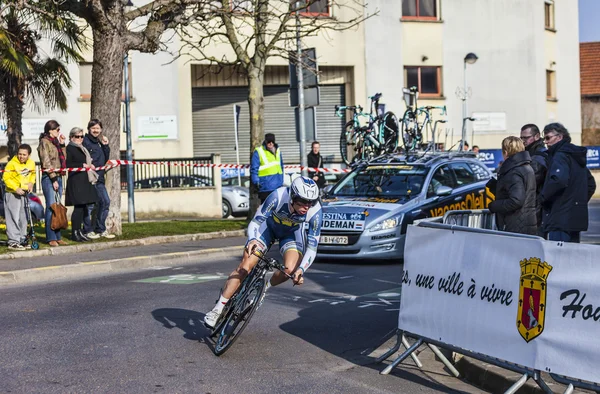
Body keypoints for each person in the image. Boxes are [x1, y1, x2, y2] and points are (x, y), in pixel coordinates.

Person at [204, 176, 322, 328]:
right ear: (293, 196)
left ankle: (265, 286)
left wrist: (301, 270)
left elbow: (312, 247)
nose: (307, 206)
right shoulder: (278, 196)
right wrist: (253, 239)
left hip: (291, 234)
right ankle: (217, 309)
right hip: (267, 229)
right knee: (245, 267)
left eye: (310, 202)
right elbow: (255, 222)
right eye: (303, 201)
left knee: (290, 269)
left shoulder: (316, 211)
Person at [539, 123, 596, 243]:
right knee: (572, 258)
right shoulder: (574, 156)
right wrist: (576, 202)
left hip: (560, 218)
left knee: (559, 258)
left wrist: (543, 197)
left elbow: (558, 180)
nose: (546, 142)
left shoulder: (560, 155)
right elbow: (590, 184)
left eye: (548, 138)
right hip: (574, 218)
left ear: (559, 137)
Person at [488, 137, 537, 235]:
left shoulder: (513, 171)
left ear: (505, 152)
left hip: (514, 225)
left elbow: (516, 200)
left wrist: (493, 206)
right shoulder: (526, 167)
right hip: (526, 222)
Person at [82, 119, 114, 239]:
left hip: (100, 178)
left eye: (98, 128)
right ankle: (87, 230)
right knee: (89, 206)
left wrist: (106, 146)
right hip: (90, 178)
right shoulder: (85, 141)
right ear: (89, 129)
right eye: (93, 128)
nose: (96, 130)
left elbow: (105, 158)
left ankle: (100, 229)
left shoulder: (99, 142)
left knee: (105, 202)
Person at [65, 127, 99, 242]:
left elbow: (87, 163)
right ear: (72, 137)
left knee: (84, 207)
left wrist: (90, 165)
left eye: (81, 136)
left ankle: (80, 231)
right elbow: (68, 164)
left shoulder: (82, 148)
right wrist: (82, 165)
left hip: (84, 181)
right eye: (77, 136)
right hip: (76, 181)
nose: (79, 139)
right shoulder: (69, 148)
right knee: (78, 208)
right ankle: (75, 232)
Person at [37, 120, 68, 247]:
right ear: (50, 130)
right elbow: (46, 162)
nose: (58, 132)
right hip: (49, 178)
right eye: (57, 130)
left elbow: (63, 159)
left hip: (58, 176)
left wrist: (62, 145)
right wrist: (53, 179)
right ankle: (50, 237)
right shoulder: (44, 142)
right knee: (51, 207)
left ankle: (58, 236)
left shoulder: (55, 143)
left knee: (58, 207)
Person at [2, 144, 35, 250]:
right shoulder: (11, 164)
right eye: (19, 154)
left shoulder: (31, 163)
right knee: (13, 217)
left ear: (29, 155)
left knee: (23, 218)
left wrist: (31, 183)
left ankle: (22, 239)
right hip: (12, 193)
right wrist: (16, 188)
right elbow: (6, 178)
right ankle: (13, 242)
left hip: (24, 193)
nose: (21, 156)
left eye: (24, 155)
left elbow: (33, 174)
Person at [520, 124, 548, 232]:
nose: (523, 141)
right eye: (521, 138)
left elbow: (529, 182)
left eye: (526, 138)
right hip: (534, 208)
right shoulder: (530, 154)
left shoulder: (537, 157)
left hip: (536, 210)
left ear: (536, 136)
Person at [251, 133, 284, 203]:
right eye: (269, 141)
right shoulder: (259, 151)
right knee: (266, 211)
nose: (271, 143)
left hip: (278, 186)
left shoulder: (278, 151)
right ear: (265, 141)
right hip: (266, 188)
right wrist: (256, 182)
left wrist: (281, 180)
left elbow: (281, 166)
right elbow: (254, 169)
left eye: (272, 141)